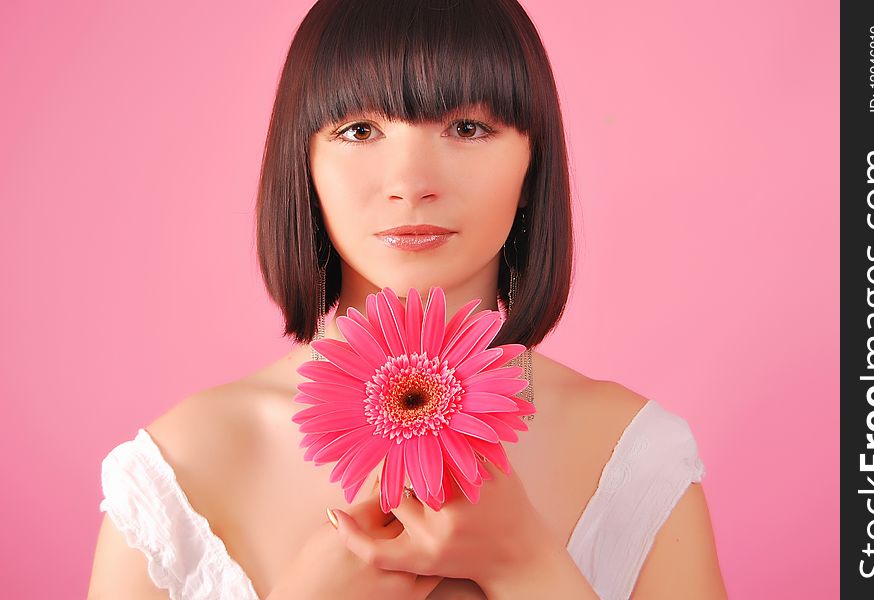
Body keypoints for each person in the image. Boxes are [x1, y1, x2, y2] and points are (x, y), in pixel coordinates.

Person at [87, 0, 727, 598]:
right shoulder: (179, 467)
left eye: (468, 126)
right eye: (360, 129)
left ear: (535, 166)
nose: (411, 183)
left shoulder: (634, 455)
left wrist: (525, 563)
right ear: (302, 162)